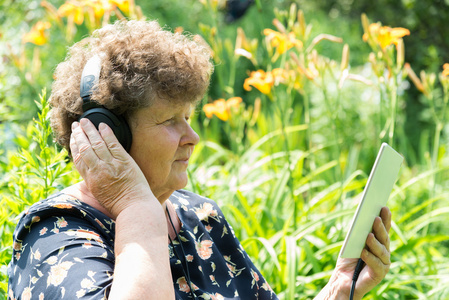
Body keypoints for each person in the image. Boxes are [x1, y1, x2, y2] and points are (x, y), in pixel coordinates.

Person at [7, 20, 391, 300]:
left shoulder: (198, 216)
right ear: (107, 133)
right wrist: (136, 205)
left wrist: (339, 291)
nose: (192, 138)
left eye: (188, 118)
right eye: (169, 121)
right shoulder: (55, 233)